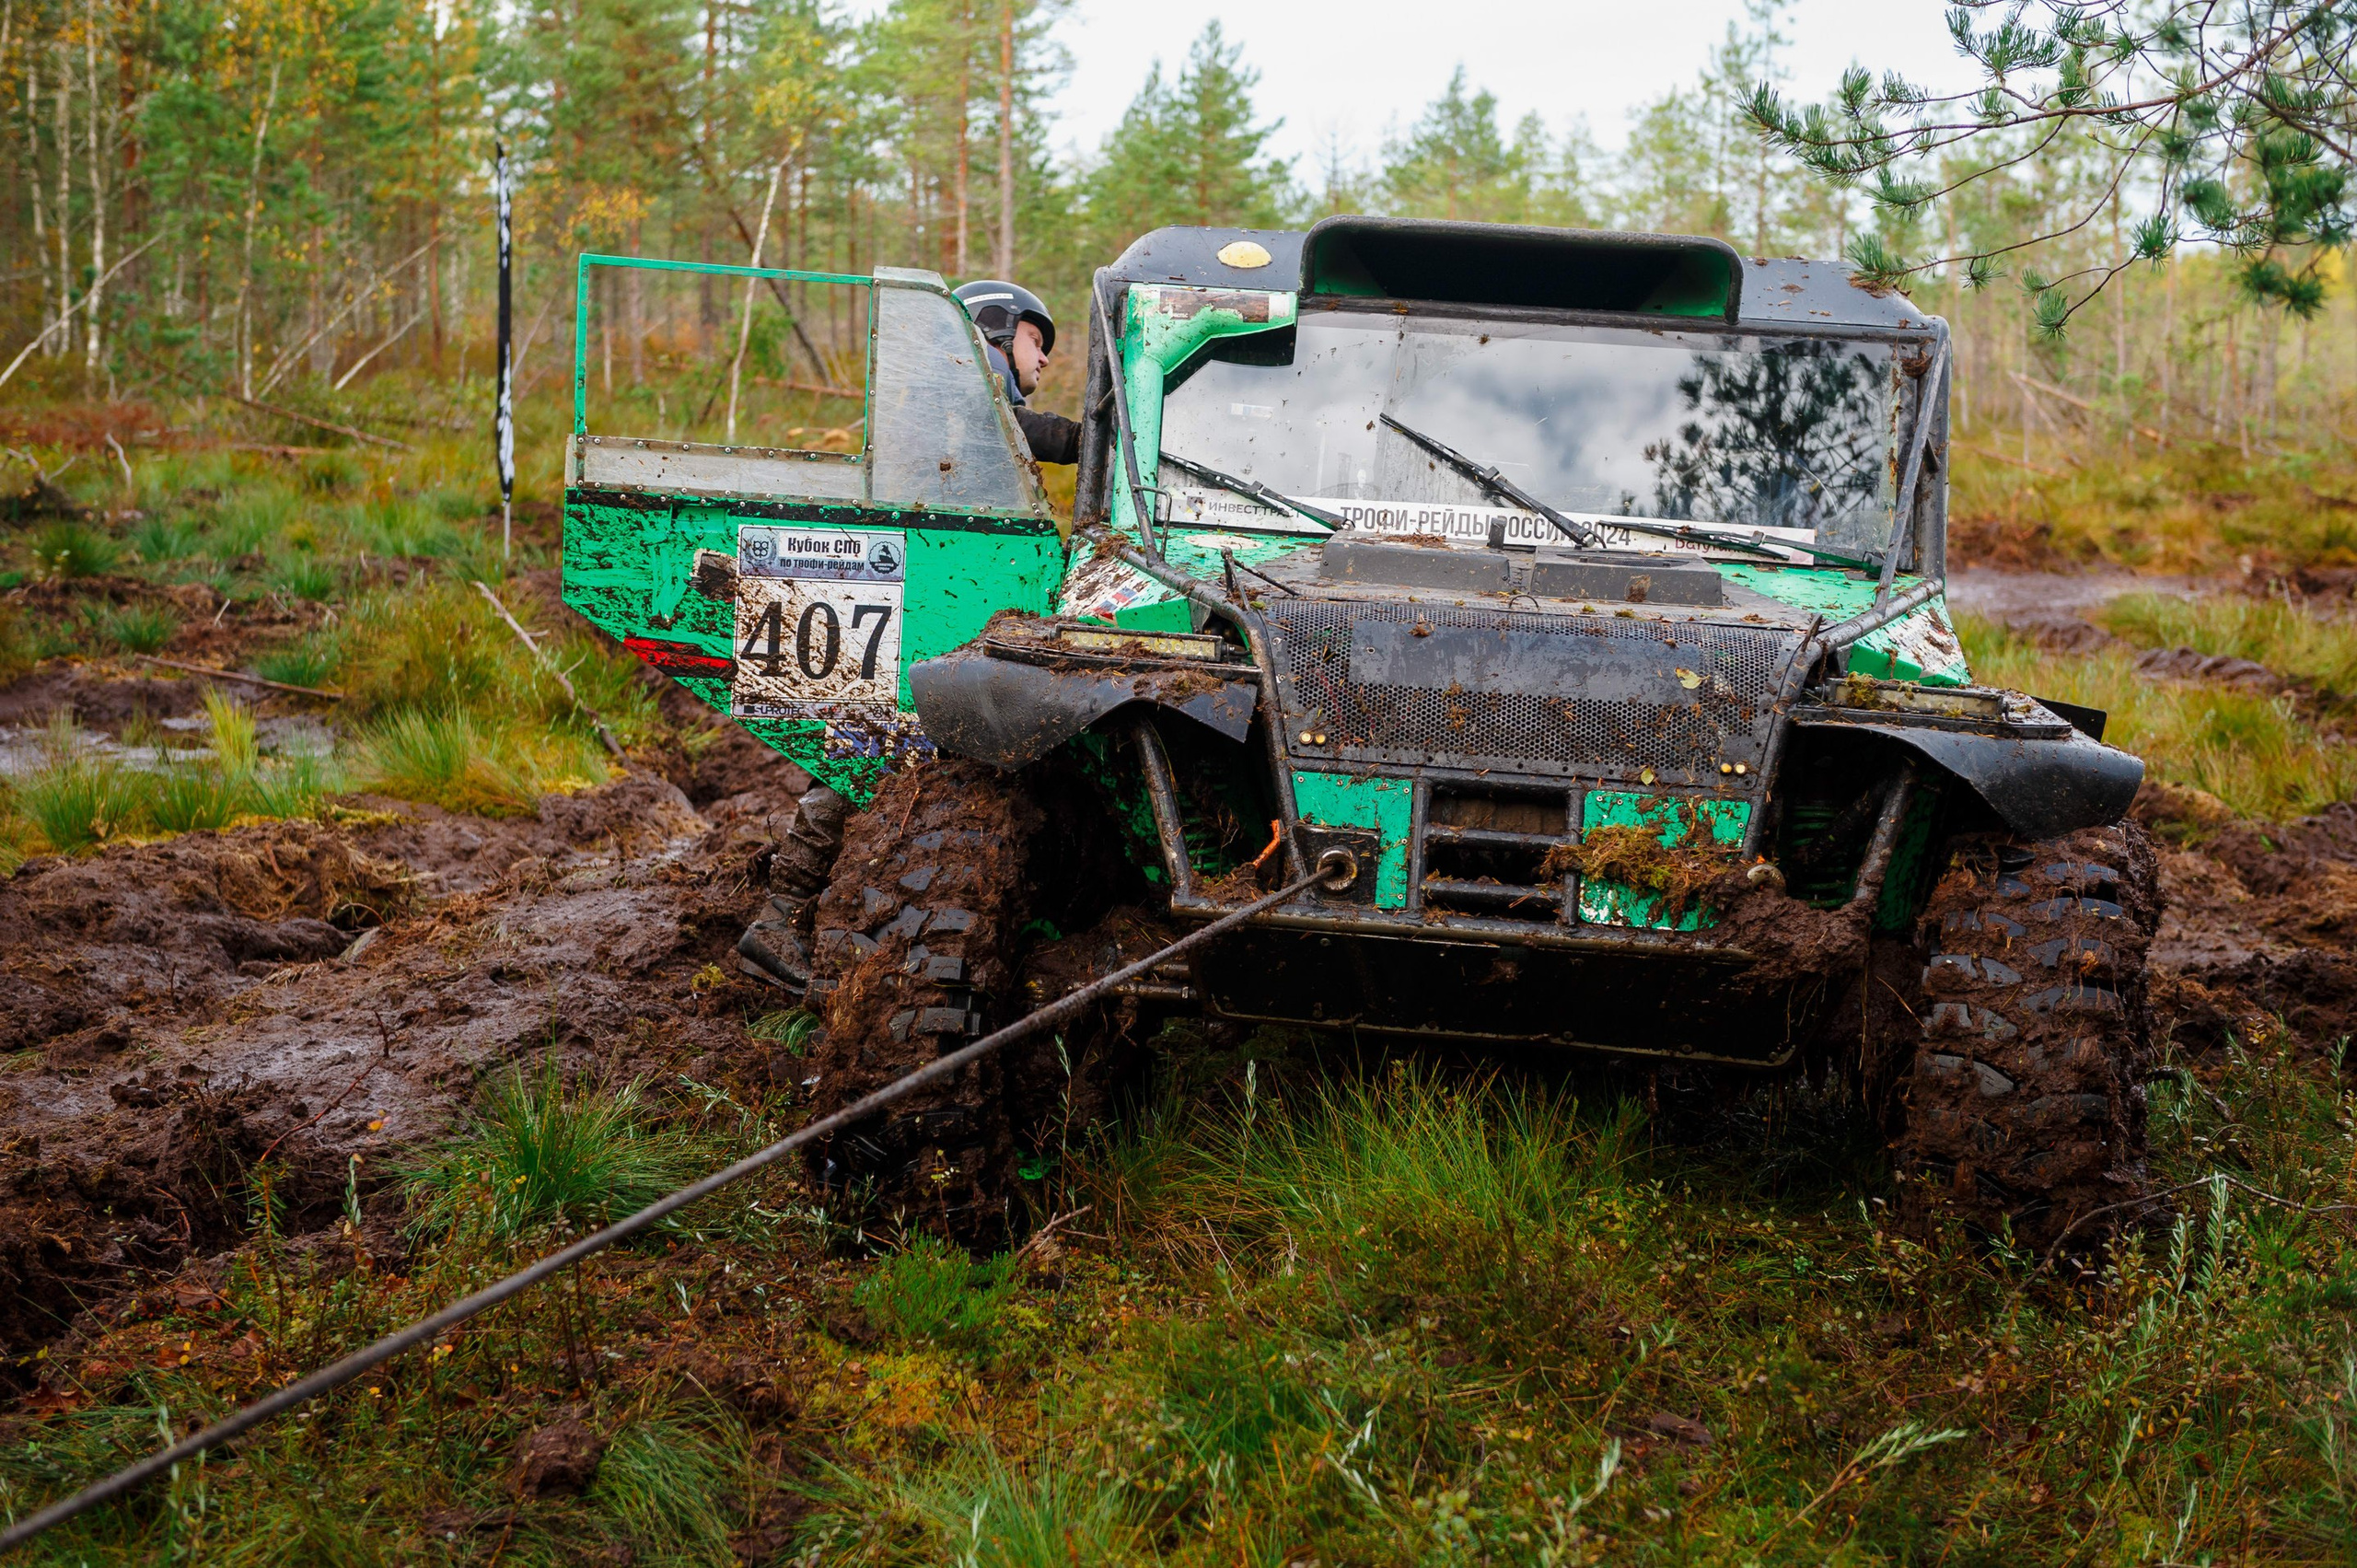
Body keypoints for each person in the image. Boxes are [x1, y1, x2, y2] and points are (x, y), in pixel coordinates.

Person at [737, 280, 1082, 994]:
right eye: (1035, 341)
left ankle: (794, 915)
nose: (1043, 360)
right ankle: (780, 919)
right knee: (873, 742)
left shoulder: (957, 401)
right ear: (995, 330)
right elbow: (1016, 432)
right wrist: (1087, 437)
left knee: (868, 744)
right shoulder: (962, 391)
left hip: (930, 584)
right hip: (929, 589)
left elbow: (1018, 435)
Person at [953, 279, 1081, 465]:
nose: (1045, 360)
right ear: (999, 332)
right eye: (1035, 342)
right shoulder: (960, 376)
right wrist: (1075, 440)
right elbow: (987, 420)